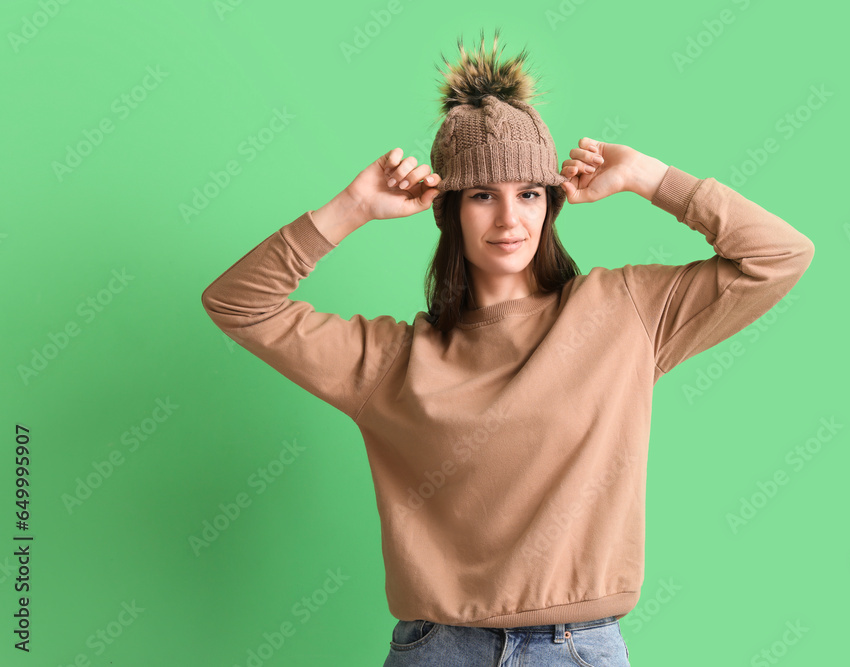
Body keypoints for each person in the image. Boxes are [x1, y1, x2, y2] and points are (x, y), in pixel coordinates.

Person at [201, 28, 815, 667]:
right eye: (482, 197)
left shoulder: (624, 313)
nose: (509, 220)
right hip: (436, 649)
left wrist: (649, 177)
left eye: (528, 194)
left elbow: (778, 256)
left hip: (579, 648)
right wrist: (352, 206)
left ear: (551, 205)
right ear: (449, 211)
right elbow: (238, 304)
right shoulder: (390, 362)